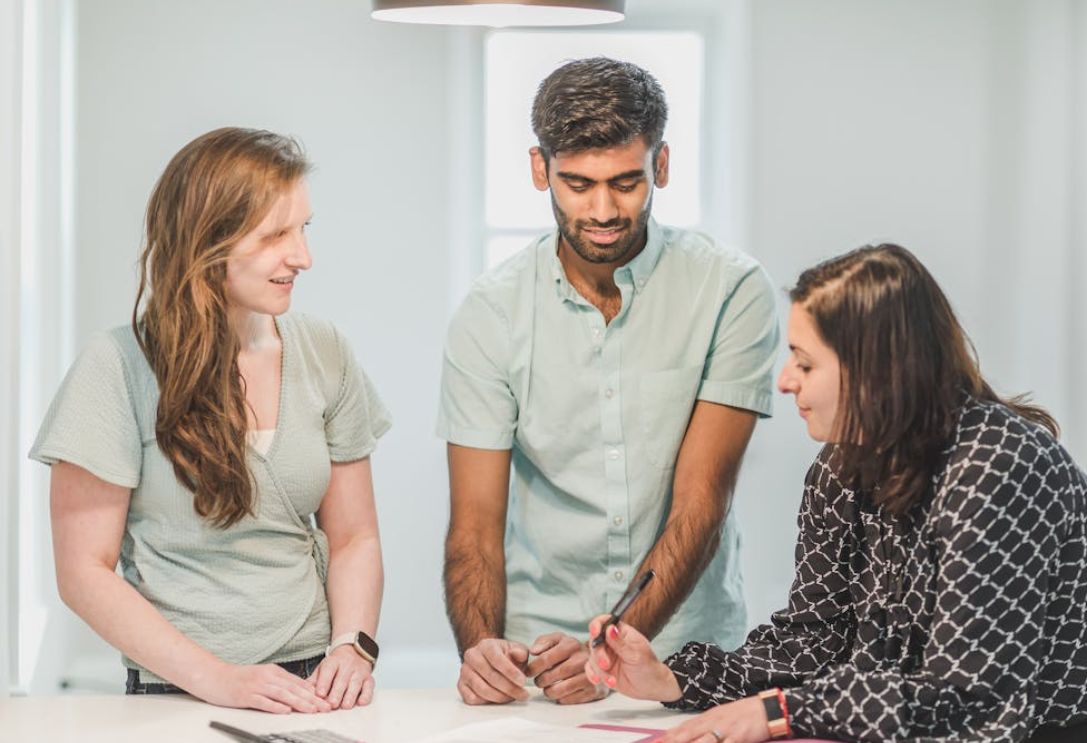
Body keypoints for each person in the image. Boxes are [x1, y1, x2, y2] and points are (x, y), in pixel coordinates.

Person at [584, 244, 1087, 742]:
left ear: (874, 372)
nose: (784, 381)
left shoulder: (995, 467)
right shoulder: (839, 467)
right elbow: (818, 635)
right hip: (1003, 718)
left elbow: (967, 698)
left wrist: (779, 711)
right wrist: (674, 679)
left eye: (806, 363)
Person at [437, 57, 779, 706]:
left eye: (626, 182)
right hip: (541, 666)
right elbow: (475, 527)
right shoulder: (489, 312)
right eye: (576, 183)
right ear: (540, 170)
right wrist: (481, 645)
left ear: (663, 165)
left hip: (688, 656)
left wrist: (613, 650)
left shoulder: (730, 291)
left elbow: (700, 503)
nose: (601, 210)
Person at [30, 128, 391, 713]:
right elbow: (83, 572)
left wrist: (353, 647)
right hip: (172, 690)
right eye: (276, 234)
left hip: (313, 681)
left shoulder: (326, 350)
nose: (302, 257)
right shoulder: (117, 366)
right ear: (207, 241)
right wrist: (219, 680)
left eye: (304, 229)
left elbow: (355, 537)